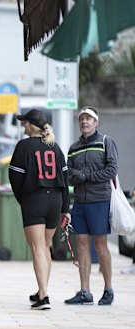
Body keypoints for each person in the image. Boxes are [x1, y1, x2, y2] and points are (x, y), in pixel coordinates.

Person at [8, 109, 70, 310]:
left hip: (34, 200)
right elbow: (65, 180)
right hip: (56, 201)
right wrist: (65, 209)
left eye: (24, 123)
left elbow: (15, 178)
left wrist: (23, 199)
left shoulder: (23, 146)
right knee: (44, 247)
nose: (22, 126)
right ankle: (41, 290)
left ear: (30, 125)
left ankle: (44, 296)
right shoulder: (55, 147)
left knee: (37, 249)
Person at [65, 106, 118, 306]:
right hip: (79, 202)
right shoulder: (73, 148)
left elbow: (112, 169)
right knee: (81, 245)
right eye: (82, 119)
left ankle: (108, 289)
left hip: (100, 200)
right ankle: (85, 291)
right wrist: (74, 178)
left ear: (97, 122)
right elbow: (68, 174)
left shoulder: (105, 142)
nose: (85, 122)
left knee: (100, 245)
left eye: (89, 119)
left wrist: (87, 177)